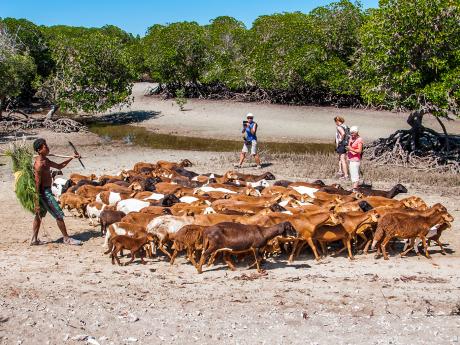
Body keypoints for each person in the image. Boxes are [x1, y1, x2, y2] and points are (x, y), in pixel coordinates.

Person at [31, 138, 82, 246]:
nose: (48, 148)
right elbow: (36, 184)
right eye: (45, 147)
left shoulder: (46, 160)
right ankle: (66, 238)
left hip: (46, 191)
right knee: (58, 214)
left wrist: (72, 158)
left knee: (38, 215)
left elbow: (59, 166)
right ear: (39, 150)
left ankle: (34, 240)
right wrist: (36, 202)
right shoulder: (39, 165)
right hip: (44, 193)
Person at [347, 126, 363, 191]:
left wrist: (351, 149)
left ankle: (354, 190)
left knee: (355, 176)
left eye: (353, 133)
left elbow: (359, 151)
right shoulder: (351, 138)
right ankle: (355, 188)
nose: (352, 134)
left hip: (355, 160)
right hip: (351, 159)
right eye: (351, 133)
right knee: (353, 175)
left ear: (356, 132)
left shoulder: (359, 139)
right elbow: (349, 146)